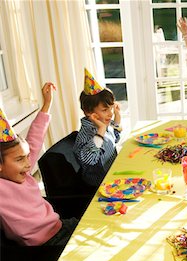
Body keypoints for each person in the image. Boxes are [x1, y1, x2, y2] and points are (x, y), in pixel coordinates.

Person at [0, 82, 78, 246]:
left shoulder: (24, 173)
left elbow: (34, 139)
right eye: (20, 159)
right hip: (46, 246)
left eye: (27, 156)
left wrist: (47, 104)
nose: (29, 164)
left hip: (61, 226)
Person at [74, 68, 122, 189]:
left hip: (113, 174)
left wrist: (117, 117)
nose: (110, 113)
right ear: (89, 113)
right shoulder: (87, 134)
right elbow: (90, 159)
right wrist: (101, 131)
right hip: (99, 185)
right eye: (105, 110)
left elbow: (115, 137)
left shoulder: (104, 123)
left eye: (111, 108)